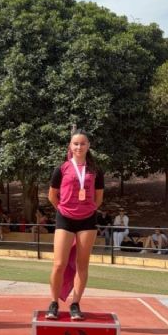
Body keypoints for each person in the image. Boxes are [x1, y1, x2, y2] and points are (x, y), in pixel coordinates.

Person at [47, 129, 104, 320]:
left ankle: (75, 303)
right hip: (65, 218)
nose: (79, 147)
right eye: (76, 144)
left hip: (87, 220)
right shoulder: (61, 168)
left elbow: (99, 197)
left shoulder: (95, 170)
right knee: (59, 264)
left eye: (83, 143)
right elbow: (52, 195)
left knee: (82, 264)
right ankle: (53, 303)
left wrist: (87, 210)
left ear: (88, 146)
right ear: (70, 147)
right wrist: (63, 210)